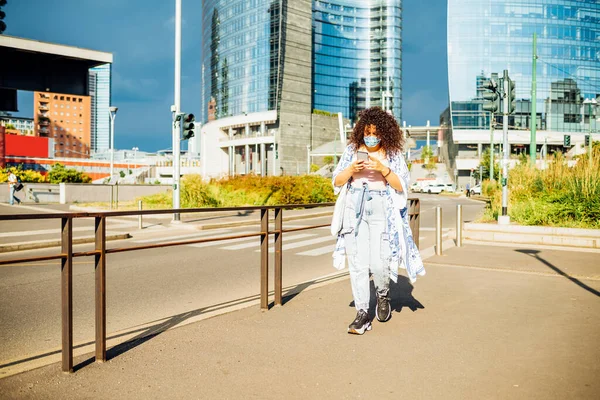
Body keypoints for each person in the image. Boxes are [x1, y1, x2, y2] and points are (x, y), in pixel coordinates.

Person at [332, 107, 425, 335]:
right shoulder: (352, 151)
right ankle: (362, 313)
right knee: (357, 262)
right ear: (361, 130)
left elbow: (401, 185)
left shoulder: (392, 154)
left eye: (375, 131)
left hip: (383, 208)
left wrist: (383, 169)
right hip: (355, 207)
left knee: (379, 262)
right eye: (367, 130)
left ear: (384, 132)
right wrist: (351, 169)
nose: (370, 135)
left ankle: (383, 294)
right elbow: (336, 181)